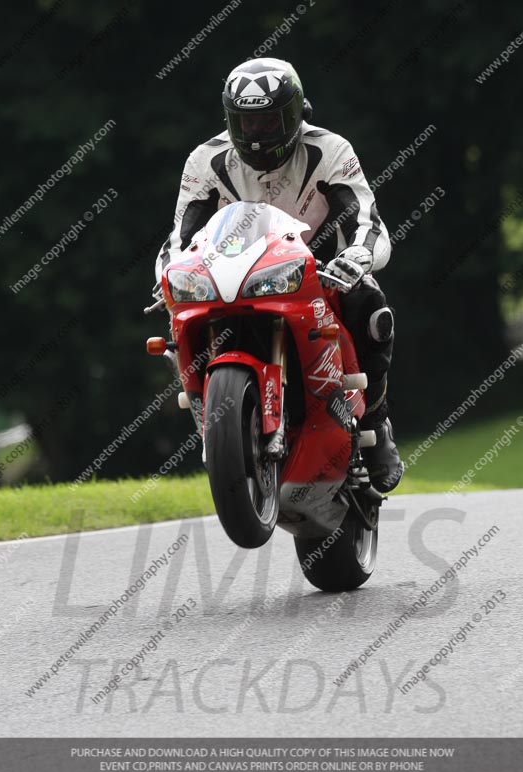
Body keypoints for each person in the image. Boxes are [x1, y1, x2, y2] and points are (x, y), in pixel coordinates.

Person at [154, 57, 403, 493]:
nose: (257, 134)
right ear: (230, 121)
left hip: (316, 269)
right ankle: (210, 415)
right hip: (231, 273)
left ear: (297, 113)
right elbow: (180, 234)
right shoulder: (204, 160)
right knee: (175, 324)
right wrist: (167, 277)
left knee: (373, 311)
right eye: (246, 124)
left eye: (270, 122)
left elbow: (368, 223)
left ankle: (378, 427)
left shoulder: (330, 150)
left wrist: (357, 258)